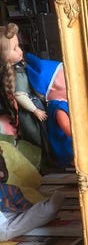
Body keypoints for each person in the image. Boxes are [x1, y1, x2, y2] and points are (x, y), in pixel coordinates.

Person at [0, 23, 52, 165]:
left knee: (43, 133)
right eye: (14, 49)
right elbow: (19, 95)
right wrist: (35, 110)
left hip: (33, 105)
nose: (20, 51)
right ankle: (39, 163)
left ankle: (45, 159)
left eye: (18, 46)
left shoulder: (20, 68)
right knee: (34, 136)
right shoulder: (15, 74)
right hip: (27, 112)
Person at [0, 146, 64, 241]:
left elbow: (26, 207)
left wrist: (29, 211)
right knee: (8, 230)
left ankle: (49, 206)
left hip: (12, 217)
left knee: (42, 212)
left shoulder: (10, 189)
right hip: (8, 226)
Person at [25, 52, 73, 167]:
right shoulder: (59, 108)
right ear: (54, 87)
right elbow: (68, 130)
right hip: (67, 148)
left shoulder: (62, 104)